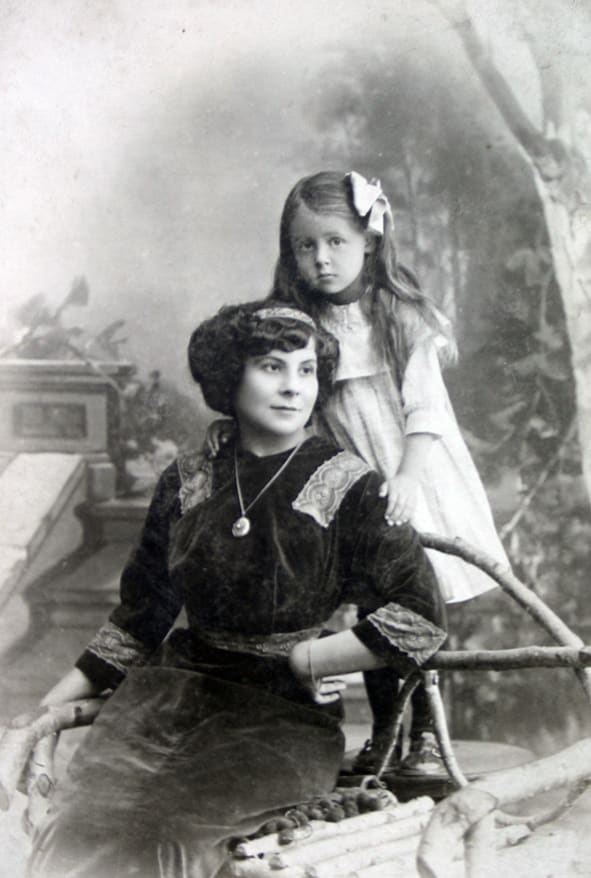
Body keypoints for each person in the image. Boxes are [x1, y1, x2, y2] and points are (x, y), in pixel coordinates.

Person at [28, 302, 446, 878]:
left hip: (280, 719)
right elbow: (139, 619)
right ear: (231, 375)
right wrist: (43, 712)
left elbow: (421, 617)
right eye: (272, 367)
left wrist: (310, 659)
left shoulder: (351, 485)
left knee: (171, 842)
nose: (293, 387)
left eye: (306, 370)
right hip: (165, 701)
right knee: (78, 831)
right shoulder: (187, 479)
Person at [268, 170, 510, 775]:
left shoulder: (398, 316)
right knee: (373, 610)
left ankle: (425, 733)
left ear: (370, 241)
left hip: (413, 474)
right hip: (354, 487)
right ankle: (385, 732)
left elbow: (426, 409)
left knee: (418, 604)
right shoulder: (299, 323)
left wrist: (405, 478)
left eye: (336, 242)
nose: (321, 259)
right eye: (305, 245)